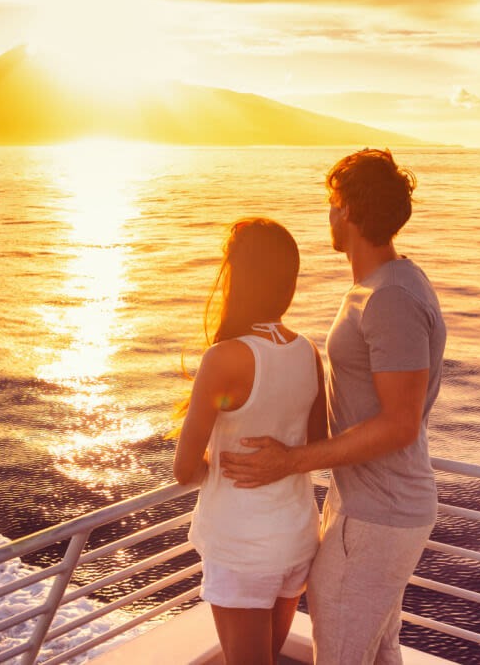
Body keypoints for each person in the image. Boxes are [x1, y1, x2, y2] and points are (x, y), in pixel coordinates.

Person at [221, 149, 446, 665]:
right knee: (379, 651)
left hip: (379, 514)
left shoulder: (390, 298)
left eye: (331, 203)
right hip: (364, 505)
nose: (328, 215)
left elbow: (400, 424)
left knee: (341, 654)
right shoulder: (382, 287)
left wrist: (290, 460)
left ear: (345, 210)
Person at [172, 217, 329, 665]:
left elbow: (184, 470)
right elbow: (314, 445)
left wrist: (215, 464)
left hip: (243, 546)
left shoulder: (224, 359)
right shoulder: (306, 351)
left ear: (237, 277)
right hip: (297, 536)